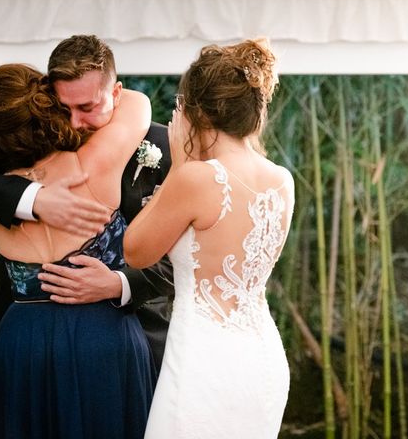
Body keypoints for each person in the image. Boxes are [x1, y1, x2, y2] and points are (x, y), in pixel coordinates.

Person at [0, 35, 173, 369]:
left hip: (134, 340)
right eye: (64, 108)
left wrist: (119, 283)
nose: (74, 122)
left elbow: (188, 259)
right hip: (29, 341)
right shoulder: (35, 139)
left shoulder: (164, 146)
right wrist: (33, 199)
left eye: (87, 108)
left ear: (115, 93)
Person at [123, 38, 294, 438]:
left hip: (205, 361)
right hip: (263, 359)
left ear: (193, 111)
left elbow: (135, 251)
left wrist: (180, 166)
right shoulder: (282, 180)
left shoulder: (195, 178)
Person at [0, 63, 155, 438]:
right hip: (101, 336)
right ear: (49, 108)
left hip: (22, 340)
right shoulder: (96, 162)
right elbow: (136, 103)